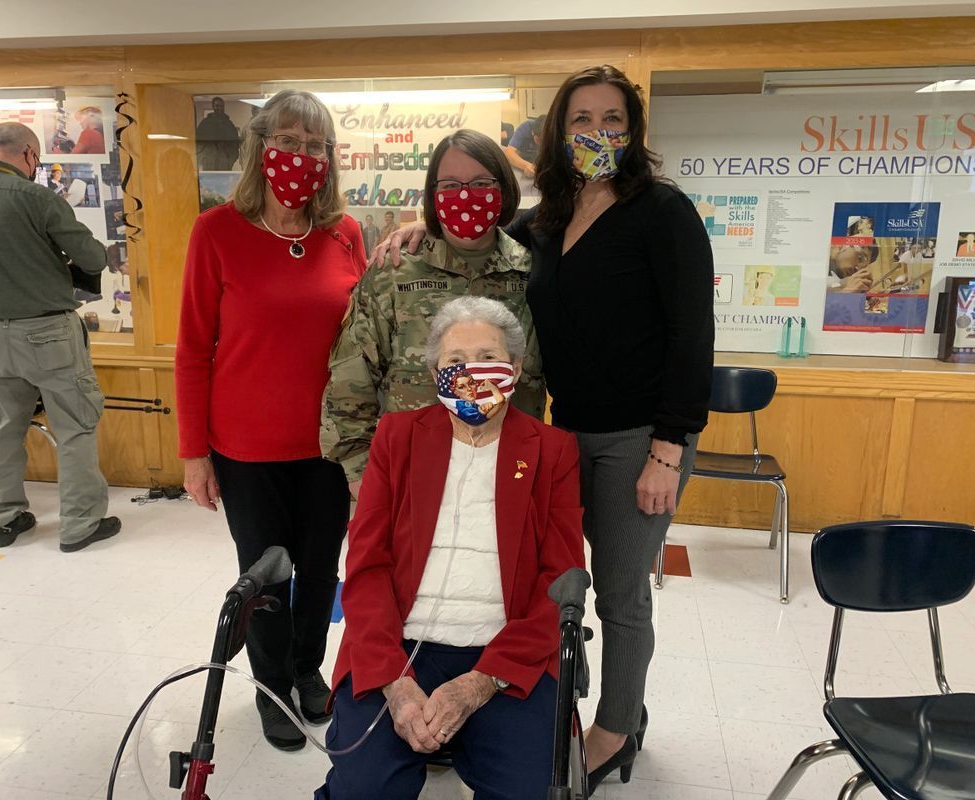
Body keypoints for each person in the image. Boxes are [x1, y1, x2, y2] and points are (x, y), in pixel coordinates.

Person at [374, 64, 715, 795]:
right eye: (581, 119)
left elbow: (693, 335)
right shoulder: (549, 220)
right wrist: (424, 226)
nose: (597, 132)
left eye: (612, 119)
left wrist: (669, 447)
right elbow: (483, 240)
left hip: (639, 438)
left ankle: (617, 727)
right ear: (559, 132)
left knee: (620, 591)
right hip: (564, 435)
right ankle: (556, 704)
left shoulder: (662, 212)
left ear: (633, 130)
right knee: (560, 582)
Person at [315, 297, 585, 800]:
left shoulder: (552, 451)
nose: (472, 373)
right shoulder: (397, 437)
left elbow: (560, 580)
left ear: (515, 368)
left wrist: (481, 683)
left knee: (526, 791)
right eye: (456, 361)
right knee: (363, 789)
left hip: (504, 654)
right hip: (401, 645)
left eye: (488, 357)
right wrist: (395, 682)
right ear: (435, 371)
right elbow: (367, 566)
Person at [176, 90, 366, 753]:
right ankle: (271, 685)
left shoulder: (344, 233)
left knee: (319, 570)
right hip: (246, 449)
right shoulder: (217, 232)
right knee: (266, 576)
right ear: (259, 146)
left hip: (329, 446)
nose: (301, 156)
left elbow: (364, 333)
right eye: (288, 140)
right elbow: (193, 349)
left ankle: (307, 668)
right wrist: (193, 453)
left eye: (315, 145)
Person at [320, 128, 545, 493]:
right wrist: (362, 476)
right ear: (433, 194)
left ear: (503, 189)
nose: (465, 195)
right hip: (412, 477)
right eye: (451, 185)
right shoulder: (394, 273)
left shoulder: (532, 275)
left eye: (481, 183)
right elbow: (351, 378)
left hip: (510, 477)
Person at [0, 122, 119, 552]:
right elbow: (93, 257)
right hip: (47, 332)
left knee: (0, 427)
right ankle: (80, 524)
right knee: (75, 425)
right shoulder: (37, 198)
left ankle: (3, 520)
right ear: (28, 154)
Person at [195, 96, 242, 171]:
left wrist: (230, 160)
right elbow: (198, 142)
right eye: (217, 105)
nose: (219, 108)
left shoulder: (228, 124)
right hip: (209, 160)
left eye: (221, 106)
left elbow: (235, 143)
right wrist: (202, 158)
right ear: (213, 106)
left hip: (224, 161)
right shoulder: (205, 123)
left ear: (223, 107)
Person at [504, 115, 545, 179]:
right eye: (539, 140)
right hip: (522, 159)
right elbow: (509, 152)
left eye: (545, 140)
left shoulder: (554, 133)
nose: (541, 144)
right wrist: (526, 165)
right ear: (533, 132)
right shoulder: (526, 126)